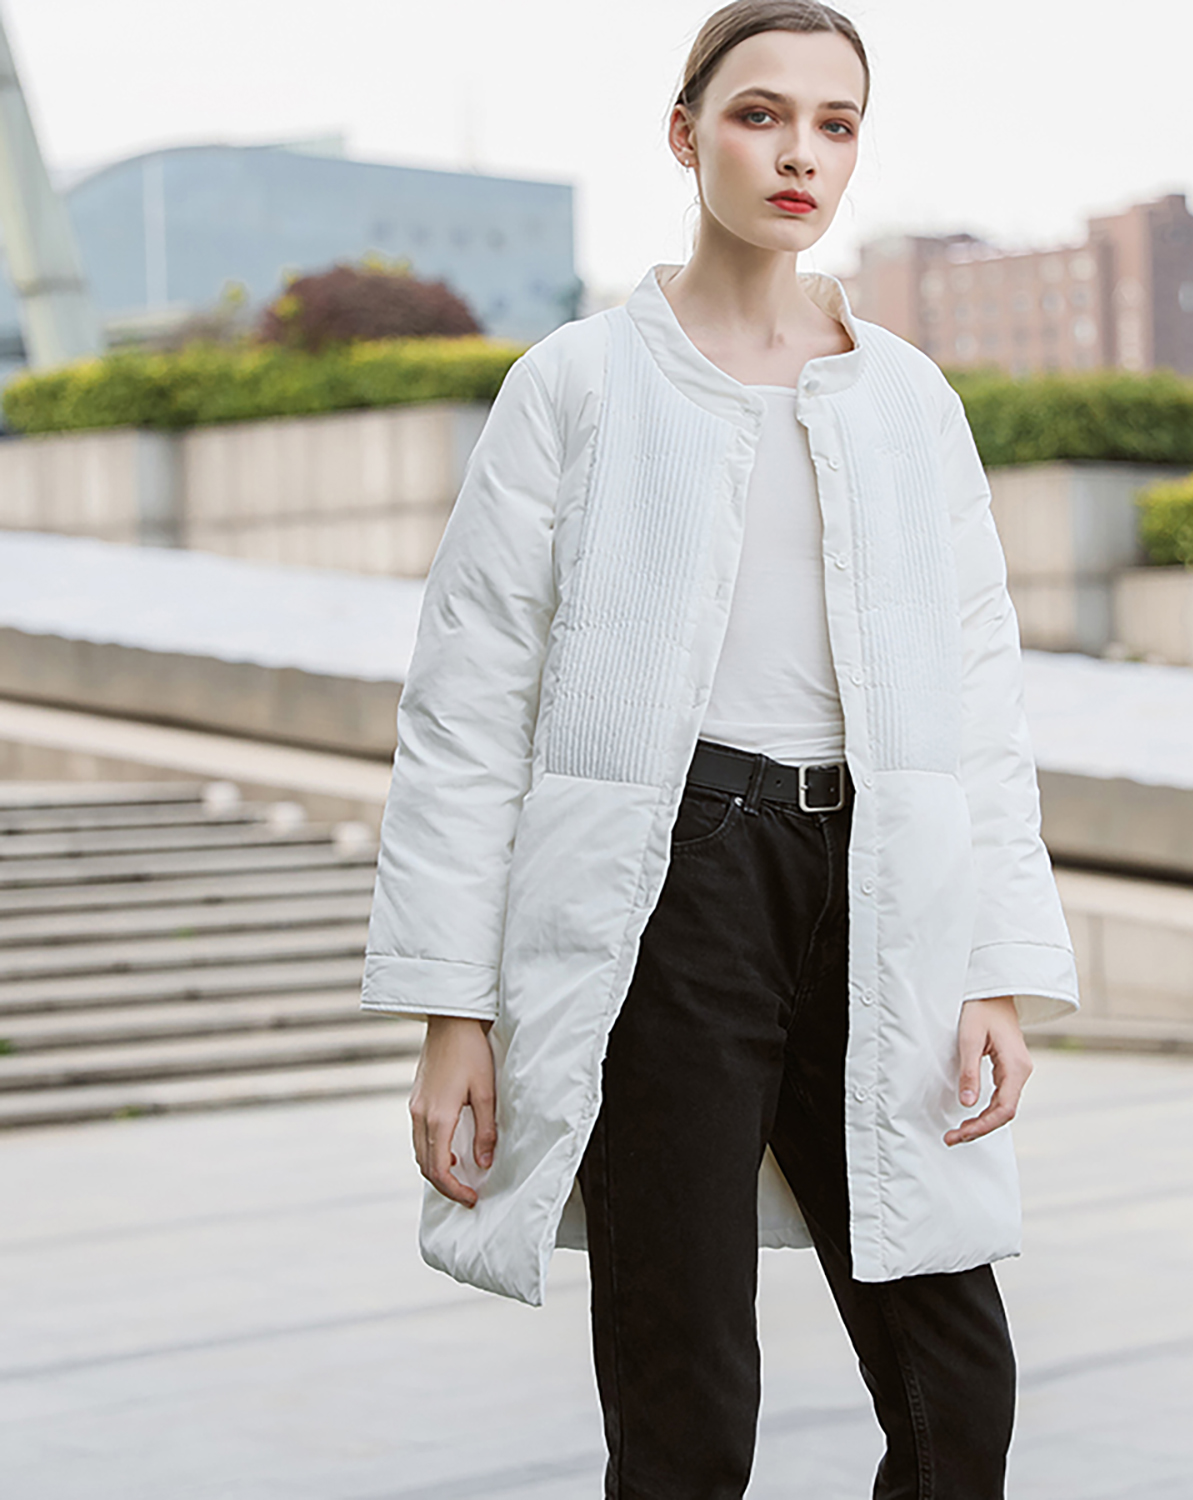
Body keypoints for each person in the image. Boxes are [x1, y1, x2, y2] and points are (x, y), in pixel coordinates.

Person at [359, 2, 1080, 1495]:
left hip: (883, 887)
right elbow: (467, 708)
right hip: (670, 890)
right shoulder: (576, 384)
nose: (799, 153)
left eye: (835, 123)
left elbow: (981, 699)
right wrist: (453, 1009)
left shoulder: (909, 399)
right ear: (685, 137)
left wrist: (996, 966)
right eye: (761, 115)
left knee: (957, 1382)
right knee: (686, 1392)